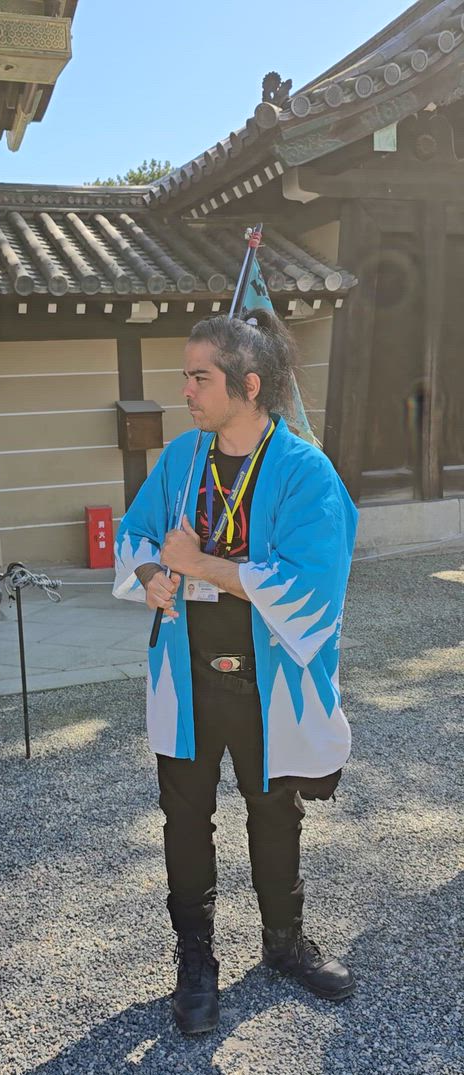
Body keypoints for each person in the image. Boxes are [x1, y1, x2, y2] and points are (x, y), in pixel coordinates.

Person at [114, 311, 358, 1034]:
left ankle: (284, 943)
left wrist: (198, 563)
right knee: (185, 818)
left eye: (200, 377)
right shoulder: (181, 459)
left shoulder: (305, 471)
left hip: (268, 681)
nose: (185, 391)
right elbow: (137, 535)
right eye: (186, 376)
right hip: (187, 673)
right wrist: (155, 575)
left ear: (248, 386)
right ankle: (195, 960)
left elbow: (312, 584)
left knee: (275, 811)